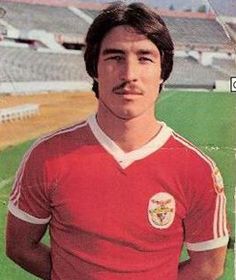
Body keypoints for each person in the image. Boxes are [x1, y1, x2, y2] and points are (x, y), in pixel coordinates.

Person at [6, 2, 229, 280]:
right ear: (94, 68)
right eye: (115, 57)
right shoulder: (47, 156)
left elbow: (209, 267)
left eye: (145, 58)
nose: (129, 75)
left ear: (163, 71)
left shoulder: (198, 170)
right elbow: (20, 246)